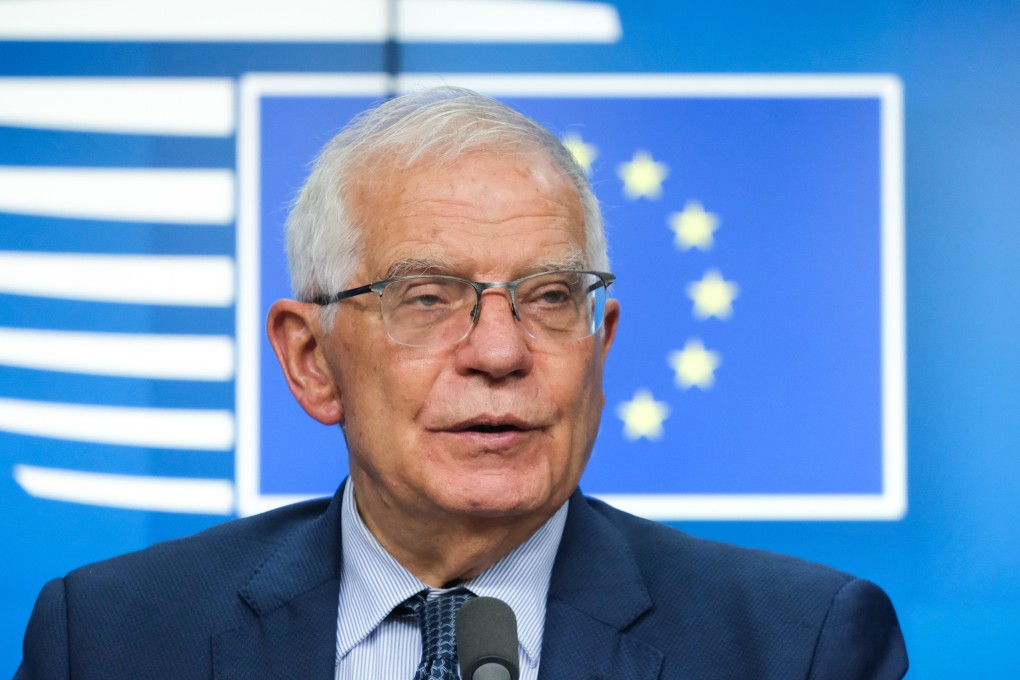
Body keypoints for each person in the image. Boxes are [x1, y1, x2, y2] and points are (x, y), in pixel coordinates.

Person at [17, 86, 908, 679]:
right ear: (310, 360)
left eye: (550, 297)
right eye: (428, 297)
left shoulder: (800, 647)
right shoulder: (108, 639)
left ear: (600, 348)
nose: (498, 351)